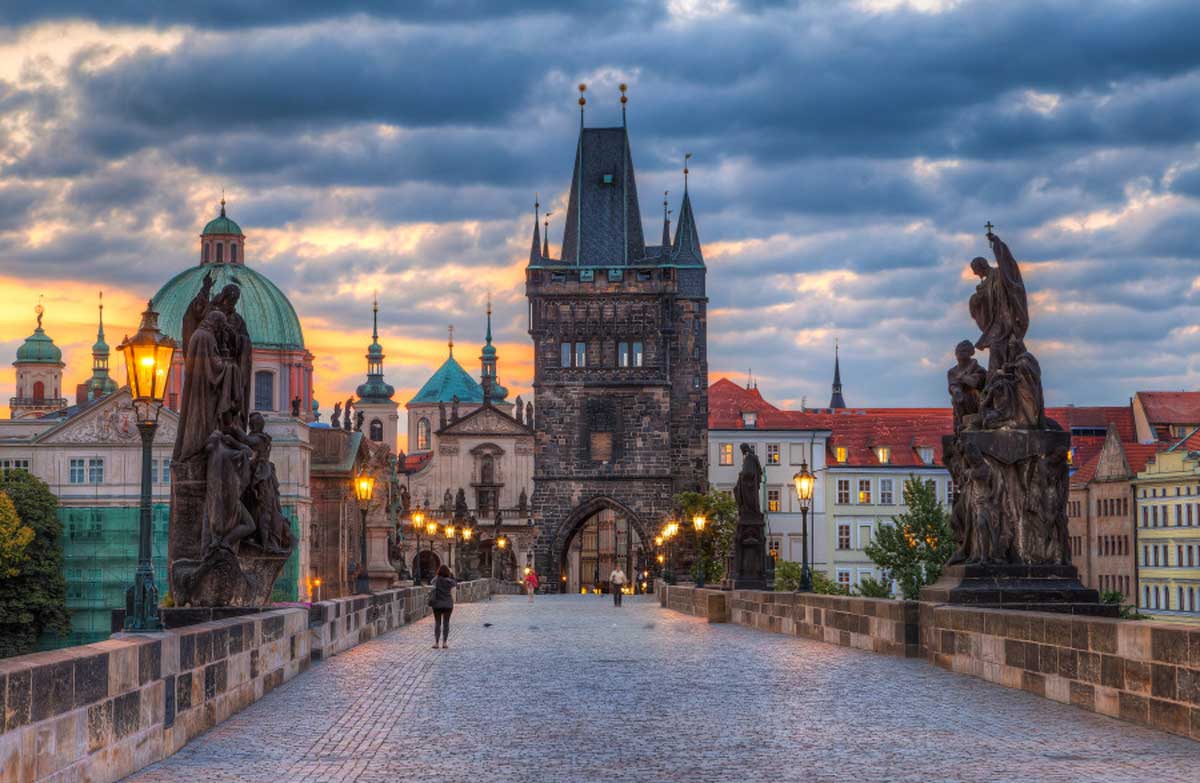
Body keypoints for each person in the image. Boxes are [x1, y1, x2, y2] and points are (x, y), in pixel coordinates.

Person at [429, 564, 456, 649]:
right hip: (448, 604)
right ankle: (444, 643)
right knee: (446, 623)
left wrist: (438, 575)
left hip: (437, 604)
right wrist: (451, 574)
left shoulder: (436, 580)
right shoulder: (449, 581)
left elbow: (431, 582)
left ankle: (436, 643)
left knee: (437, 623)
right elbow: (455, 583)